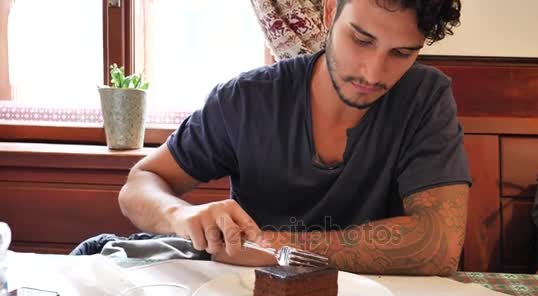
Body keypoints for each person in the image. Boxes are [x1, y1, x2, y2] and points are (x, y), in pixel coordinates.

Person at [118, 0, 471, 275]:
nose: (373, 73)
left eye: (402, 53)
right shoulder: (247, 98)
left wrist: (273, 248)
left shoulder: (425, 98)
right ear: (330, 10)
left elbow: (440, 248)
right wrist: (179, 215)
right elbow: (140, 183)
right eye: (361, 39)